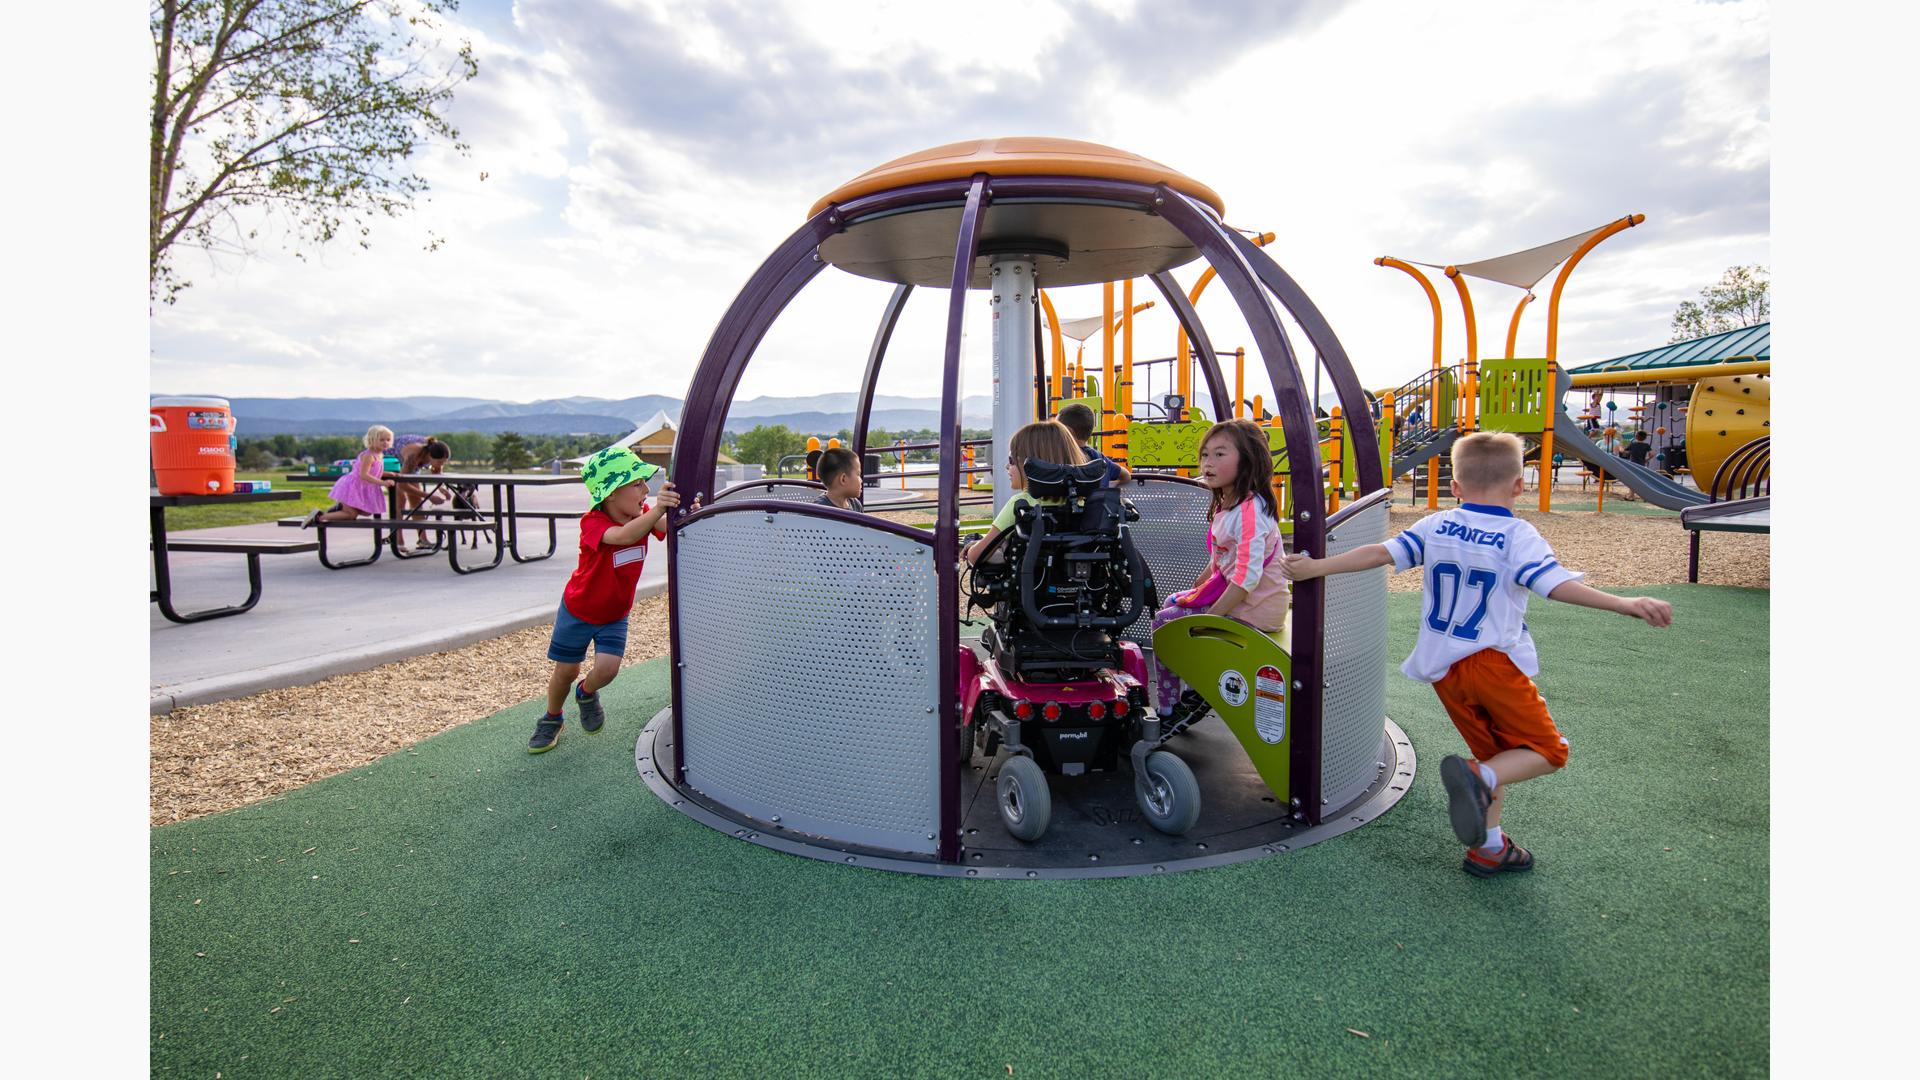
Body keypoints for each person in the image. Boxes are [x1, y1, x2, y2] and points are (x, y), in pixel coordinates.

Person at [1279, 432, 1673, 877]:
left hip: (1445, 669)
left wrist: (1317, 566)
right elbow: (1553, 585)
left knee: (1494, 758)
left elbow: (1380, 553)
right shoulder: (1517, 535)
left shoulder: (1437, 524)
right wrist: (1625, 603)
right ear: (1519, 485)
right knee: (1547, 751)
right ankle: (1479, 780)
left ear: (1457, 486)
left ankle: (1489, 847)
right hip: (1491, 664)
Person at [529, 447, 678, 753]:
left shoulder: (643, 513)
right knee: (566, 671)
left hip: (614, 614)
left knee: (608, 670)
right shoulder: (593, 523)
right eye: (636, 484)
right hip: (579, 611)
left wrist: (675, 509)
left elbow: (668, 528)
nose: (645, 490)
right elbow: (623, 537)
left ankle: (586, 693)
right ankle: (552, 717)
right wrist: (655, 512)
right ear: (610, 493)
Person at [1149, 420, 1286, 723]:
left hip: (1256, 607)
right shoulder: (1230, 504)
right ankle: (1195, 684)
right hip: (1240, 598)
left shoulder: (1251, 514)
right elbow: (1221, 559)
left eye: (1220, 455)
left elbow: (1245, 579)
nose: (1208, 463)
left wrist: (1210, 618)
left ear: (1247, 460)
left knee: (1164, 622)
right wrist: (1198, 586)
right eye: (1205, 455)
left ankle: (1173, 705)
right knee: (1173, 603)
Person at [963, 420, 1084, 565]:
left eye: (1011, 460)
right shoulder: (1084, 502)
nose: (1007, 466)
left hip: (1029, 583)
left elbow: (977, 556)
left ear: (1031, 465)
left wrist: (971, 548)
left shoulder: (1021, 504)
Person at [305, 425, 395, 527]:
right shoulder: (369, 456)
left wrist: (387, 474)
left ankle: (340, 507)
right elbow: (364, 475)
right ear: (372, 440)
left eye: (388, 440)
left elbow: (373, 471)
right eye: (382, 440)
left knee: (367, 511)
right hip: (352, 486)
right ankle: (320, 517)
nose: (385, 442)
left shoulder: (380, 455)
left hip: (361, 488)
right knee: (351, 515)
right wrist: (383, 483)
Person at [395, 437, 453, 551]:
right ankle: (398, 540)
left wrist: (440, 488)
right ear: (429, 456)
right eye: (440, 462)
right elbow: (401, 484)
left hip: (413, 468)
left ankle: (423, 540)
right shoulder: (413, 455)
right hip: (395, 463)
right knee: (400, 500)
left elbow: (436, 472)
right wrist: (429, 496)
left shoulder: (435, 454)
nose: (441, 465)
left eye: (444, 462)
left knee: (417, 502)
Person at [1055, 402, 1131, 486]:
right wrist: (1113, 485)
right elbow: (1126, 475)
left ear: (1068, 431)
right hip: (1100, 498)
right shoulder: (1100, 458)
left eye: (1057, 429)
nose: (1055, 433)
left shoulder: (1063, 457)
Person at [813, 447, 865, 511]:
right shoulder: (819, 510)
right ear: (843, 479)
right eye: (858, 474)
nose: (861, 480)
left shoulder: (856, 504)